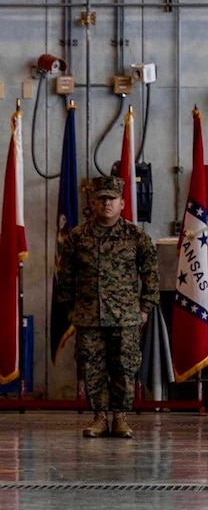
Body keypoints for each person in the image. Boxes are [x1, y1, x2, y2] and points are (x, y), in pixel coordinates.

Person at [55, 175, 159, 438]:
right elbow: (65, 276)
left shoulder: (136, 237)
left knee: (125, 366)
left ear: (122, 203)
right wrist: (70, 309)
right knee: (92, 367)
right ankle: (100, 417)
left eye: (111, 200)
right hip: (89, 315)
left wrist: (145, 307)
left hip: (125, 316)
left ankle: (120, 417)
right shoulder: (78, 237)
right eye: (101, 199)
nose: (106, 205)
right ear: (93, 202)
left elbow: (151, 276)